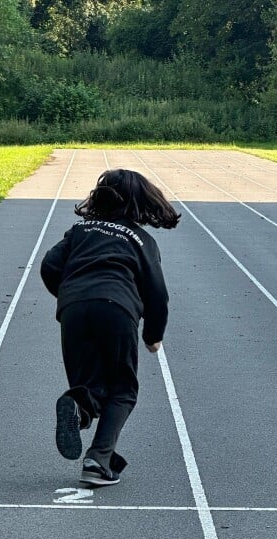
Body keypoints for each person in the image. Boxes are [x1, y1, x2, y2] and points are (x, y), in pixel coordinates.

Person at [40, 168, 180, 486]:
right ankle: (98, 460)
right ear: (143, 201)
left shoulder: (81, 230)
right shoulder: (142, 240)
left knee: (89, 385)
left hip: (73, 309)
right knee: (123, 390)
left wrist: (70, 296)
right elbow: (157, 295)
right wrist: (153, 335)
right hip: (117, 309)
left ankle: (78, 407)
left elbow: (49, 265)